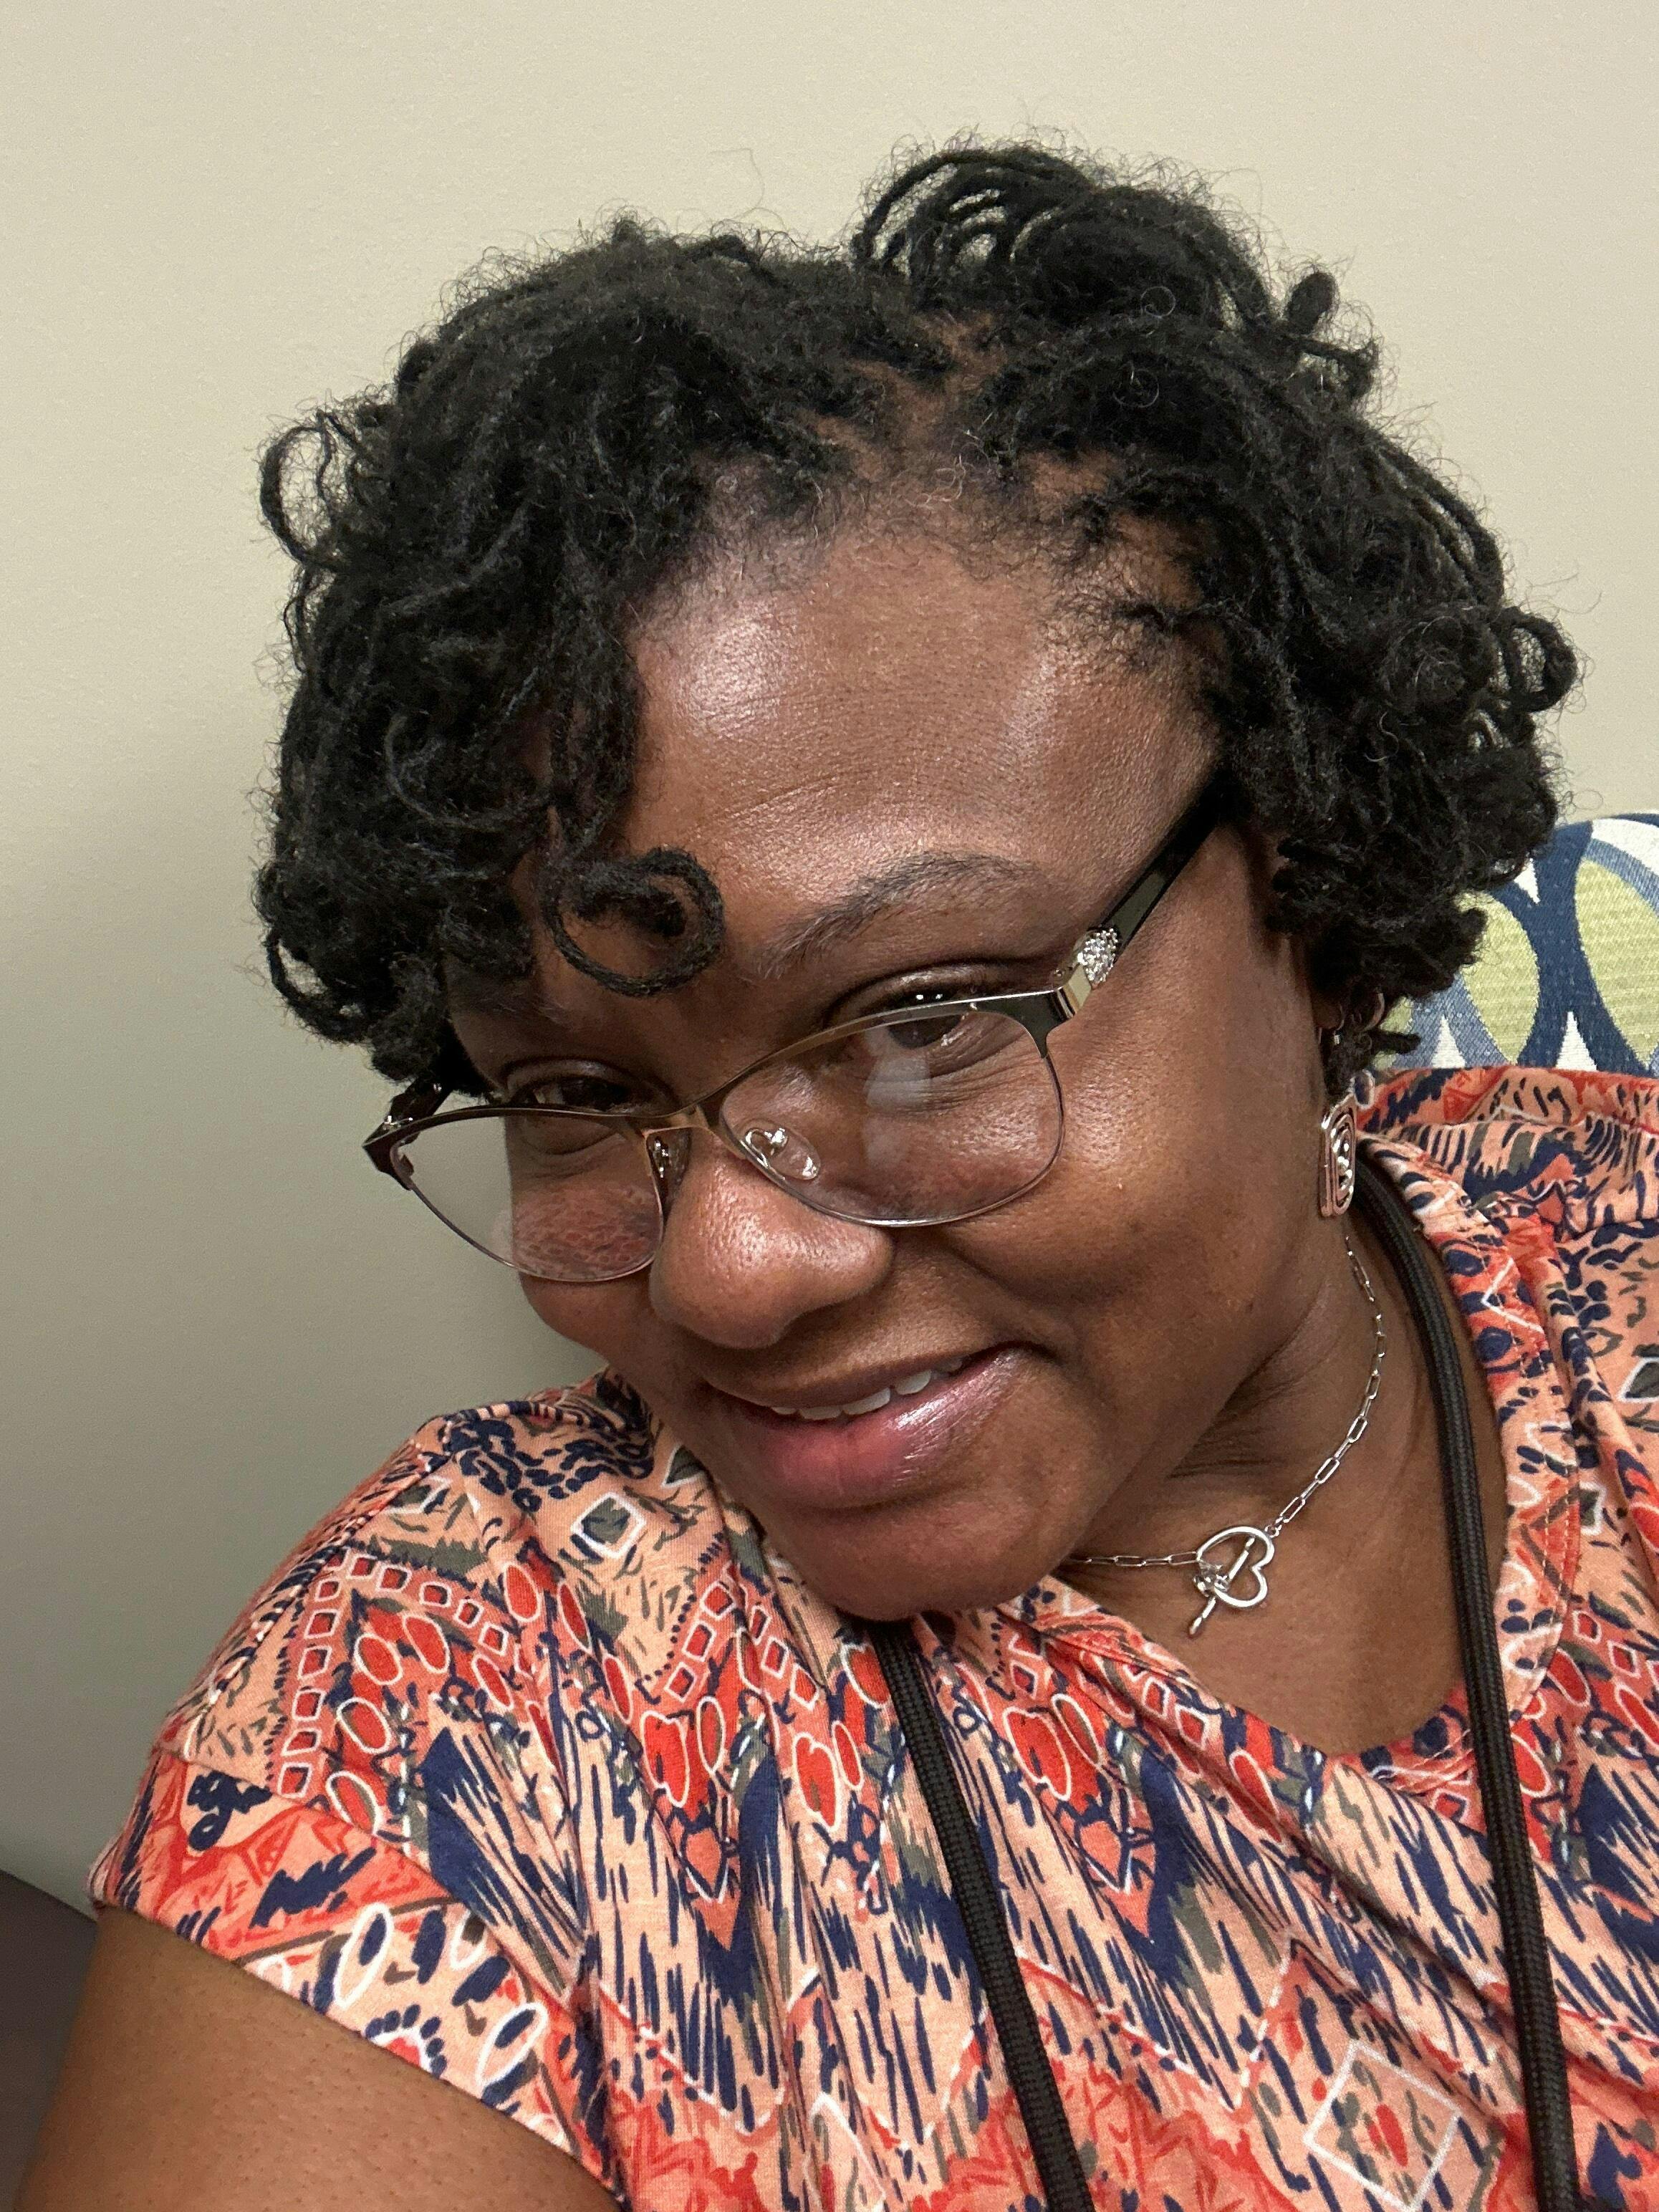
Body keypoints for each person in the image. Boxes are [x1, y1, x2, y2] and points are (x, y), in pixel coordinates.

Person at [22, 145, 1658, 2212]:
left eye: (916, 1020)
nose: (724, 1275)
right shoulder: (464, 1708)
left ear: (1315, 904)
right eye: (573, 1091)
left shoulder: (1619, 1265)